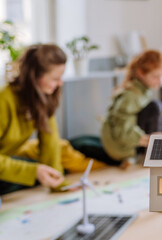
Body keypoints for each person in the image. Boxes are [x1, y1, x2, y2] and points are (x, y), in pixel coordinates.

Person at [0, 44, 105, 195]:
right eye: (55, 78)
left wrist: (60, 183)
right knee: (30, 172)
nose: (60, 83)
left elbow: (50, 142)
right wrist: (33, 171)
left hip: (5, 162)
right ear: (34, 76)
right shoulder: (4, 100)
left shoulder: (42, 99)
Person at [70, 49, 162, 167]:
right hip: (123, 147)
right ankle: (147, 155)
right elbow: (122, 132)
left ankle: (153, 150)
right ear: (140, 73)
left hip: (136, 138)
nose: (160, 81)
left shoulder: (142, 90)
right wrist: (150, 140)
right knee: (155, 107)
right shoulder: (131, 95)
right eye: (155, 76)